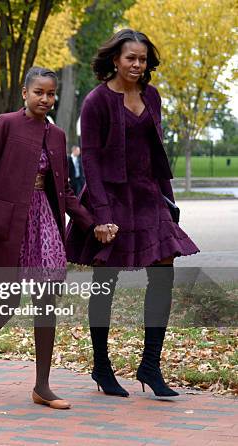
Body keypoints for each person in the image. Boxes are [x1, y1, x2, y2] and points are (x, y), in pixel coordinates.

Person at [0, 67, 112, 410]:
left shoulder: (57, 135)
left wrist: (93, 223)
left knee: (46, 302)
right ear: (25, 93)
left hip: (45, 223)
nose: (45, 99)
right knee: (9, 301)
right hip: (8, 226)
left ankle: (42, 385)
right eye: (38, 92)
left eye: (51, 93)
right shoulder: (6, 124)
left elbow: (67, 191)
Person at [65, 29, 199, 398]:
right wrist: (102, 217)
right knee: (104, 282)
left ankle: (151, 366)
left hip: (148, 194)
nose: (137, 65)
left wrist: (169, 203)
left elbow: (157, 152)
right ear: (115, 60)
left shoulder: (152, 96)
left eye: (142, 59)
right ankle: (101, 366)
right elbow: (89, 158)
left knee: (164, 272)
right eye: (131, 58)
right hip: (109, 197)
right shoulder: (96, 101)